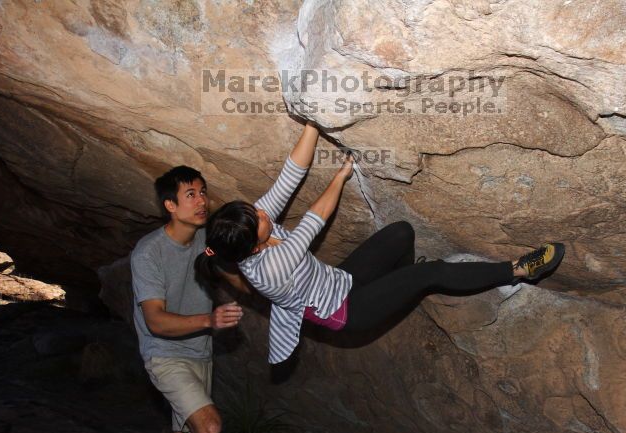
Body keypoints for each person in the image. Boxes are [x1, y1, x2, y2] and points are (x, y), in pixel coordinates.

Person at [195, 121, 565, 365]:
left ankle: (400, 284)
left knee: (402, 232)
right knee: (429, 274)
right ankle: (519, 270)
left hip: (339, 280)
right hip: (347, 312)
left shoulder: (250, 227)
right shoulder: (268, 270)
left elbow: (290, 175)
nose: (262, 213)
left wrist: (312, 120)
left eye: (255, 211)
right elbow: (313, 220)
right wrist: (340, 177)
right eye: (258, 219)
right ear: (253, 247)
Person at [130, 164, 243, 433]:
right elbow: (156, 321)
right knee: (209, 428)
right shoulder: (148, 253)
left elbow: (228, 272)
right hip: (163, 355)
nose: (201, 201)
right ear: (170, 206)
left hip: (199, 354)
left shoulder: (204, 240)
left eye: (203, 191)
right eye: (190, 195)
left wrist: (269, 290)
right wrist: (209, 321)